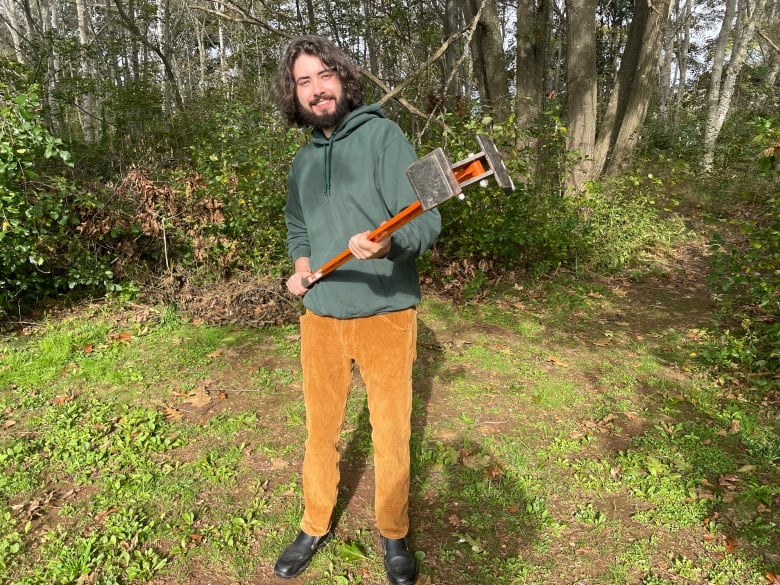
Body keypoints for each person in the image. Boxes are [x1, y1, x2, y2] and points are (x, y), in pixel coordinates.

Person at [271, 35, 441, 585]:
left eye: (325, 75)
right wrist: (301, 269)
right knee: (320, 431)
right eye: (304, 81)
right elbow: (299, 226)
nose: (317, 89)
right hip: (320, 316)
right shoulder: (301, 160)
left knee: (389, 431)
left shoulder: (386, 137)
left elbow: (427, 222)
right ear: (293, 94)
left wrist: (389, 244)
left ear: (343, 78)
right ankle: (314, 522)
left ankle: (393, 532)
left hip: (386, 313)